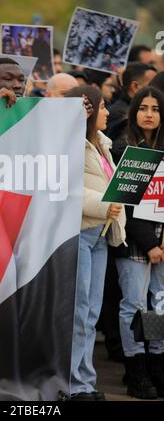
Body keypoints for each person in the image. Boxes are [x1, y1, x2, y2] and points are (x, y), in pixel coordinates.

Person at [66, 86, 126, 401]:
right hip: (80, 232)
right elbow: (68, 186)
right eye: (102, 107)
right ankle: (75, 384)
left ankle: (85, 381)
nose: (108, 112)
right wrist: (106, 205)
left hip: (100, 235)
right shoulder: (70, 144)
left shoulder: (102, 144)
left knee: (91, 312)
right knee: (79, 312)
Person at [112, 86, 164, 399]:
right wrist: (150, 245)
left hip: (162, 241)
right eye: (143, 107)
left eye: (155, 108)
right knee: (134, 305)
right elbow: (125, 208)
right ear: (134, 112)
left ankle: (157, 366)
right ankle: (136, 370)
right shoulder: (123, 149)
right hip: (134, 242)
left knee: (158, 305)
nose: (148, 114)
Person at [107, 63, 157, 163]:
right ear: (135, 86)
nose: (149, 115)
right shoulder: (121, 114)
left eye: (155, 110)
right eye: (153, 86)